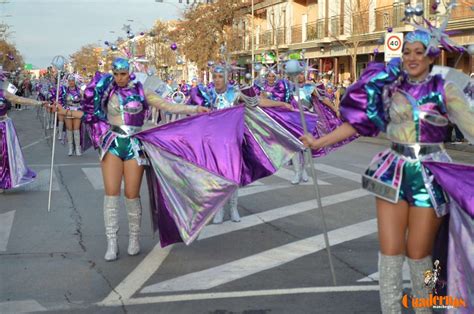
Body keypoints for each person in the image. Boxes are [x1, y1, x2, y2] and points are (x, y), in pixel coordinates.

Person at [300, 30, 473, 313]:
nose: (412, 58)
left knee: (419, 254)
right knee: (390, 254)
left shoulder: (445, 89)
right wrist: (318, 142)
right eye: (407, 52)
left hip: (429, 175)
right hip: (392, 171)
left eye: (419, 52)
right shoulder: (388, 87)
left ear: (430, 56)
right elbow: (359, 124)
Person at [55, 58, 209, 261]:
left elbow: (168, 106)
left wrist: (195, 109)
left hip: (134, 146)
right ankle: (112, 242)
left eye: (123, 74)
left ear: (129, 73)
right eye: (116, 74)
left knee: (131, 194)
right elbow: (88, 114)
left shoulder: (142, 91)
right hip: (112, 144)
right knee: (111, 194)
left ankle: (134, 238)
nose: (119, 78)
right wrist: (63, 111)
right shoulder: (106, 90)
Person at [188, 64, 292, 223]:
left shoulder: (235, 93)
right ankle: (219, 210)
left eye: (220, 77)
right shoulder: (207, 94)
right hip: (213, 142)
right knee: (217, 176)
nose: (217, 80)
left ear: (226, 78)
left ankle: (233, 207)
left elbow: (257, 101)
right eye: (215, 77)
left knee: (232, 175)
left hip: (232, 141)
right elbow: (192, 112)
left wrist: (281, 104)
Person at [0, 74, 49, 193]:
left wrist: (39, 103)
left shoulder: (3, 93)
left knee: (3, 155)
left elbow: (21, 100)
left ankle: (3, 181)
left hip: (3, 126)